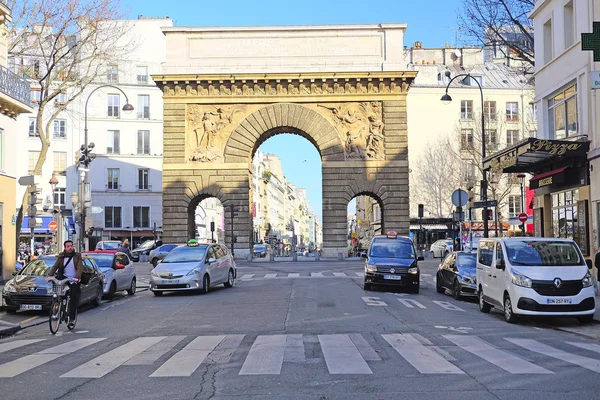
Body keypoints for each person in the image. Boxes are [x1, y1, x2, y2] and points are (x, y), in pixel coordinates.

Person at [45, 240, 82, 329]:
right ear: (65, 248)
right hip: (64, 278)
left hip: (74, 279)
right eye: (68, 246)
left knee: (73, 298)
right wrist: (50, 276)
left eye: (71, 246)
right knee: (59, 293)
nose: (70, 248)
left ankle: (72, 319)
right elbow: (55, 266)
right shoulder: (61, 256)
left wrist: (77, 277)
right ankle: (59, 306)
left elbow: (79, 268)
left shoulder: (77, 256)